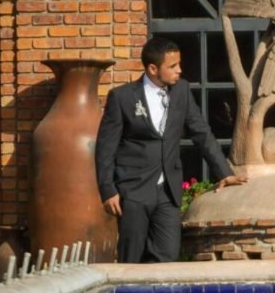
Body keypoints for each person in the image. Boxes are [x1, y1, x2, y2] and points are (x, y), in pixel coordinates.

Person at [95, 36, 244, 262]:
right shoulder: (122, 97)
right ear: (153, 68)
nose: (180, 70)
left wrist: (225, 172)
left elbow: (201, 132)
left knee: (167, 255)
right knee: (132, 257)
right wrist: (108, 189)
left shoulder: (182, 91)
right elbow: (106, 147)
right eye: (173, 66)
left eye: (179, 64)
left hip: (169, 191)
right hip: (133, 189)